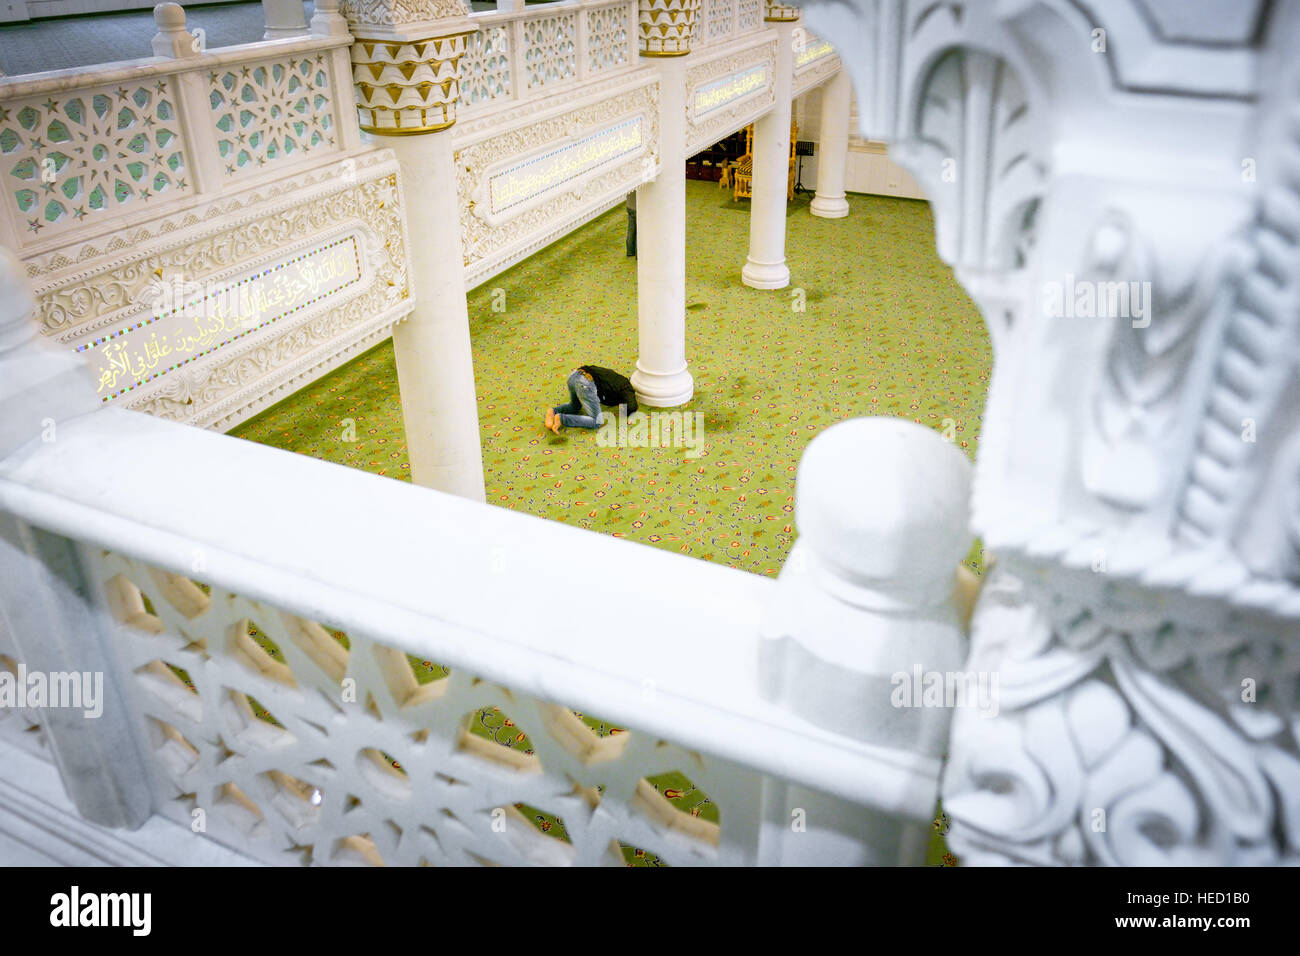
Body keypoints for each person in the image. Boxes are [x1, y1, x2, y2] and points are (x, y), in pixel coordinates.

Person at [546, 365, 638, 434]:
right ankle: (562, 419)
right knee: (597, 421)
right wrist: (627, 411)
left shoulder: (616, 379)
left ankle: (553, 411)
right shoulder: (626, 389)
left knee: (575, 406)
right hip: (585, 383)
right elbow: (631, 406)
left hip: (575, 375)